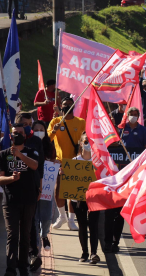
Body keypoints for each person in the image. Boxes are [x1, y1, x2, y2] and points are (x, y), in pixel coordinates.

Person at [0, 123, 39, 276]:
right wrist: (11, 179)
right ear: (10, 136)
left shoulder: (32, 152)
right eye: (15, 133)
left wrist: (20, 156)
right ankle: (11, 269)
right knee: (12, 235)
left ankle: (23, 267)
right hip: (10, 201)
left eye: (20, 133)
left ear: (25, 136)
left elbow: (34, 166)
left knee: (25, 235)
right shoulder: (3, 155)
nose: (17, 135)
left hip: (28, 200)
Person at [48, 96, 86, 231]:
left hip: (76, 161)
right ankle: (62, 216)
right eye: (65, 104)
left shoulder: (81, 122)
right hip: (60, 161)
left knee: (74, 192)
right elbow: (47, 140)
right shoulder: (55, 121)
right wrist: (54, 130)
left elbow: (86, 140)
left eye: (70, 104)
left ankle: (71, 219)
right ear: (61, 106)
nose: (67, 106)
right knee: (58, 190)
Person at [14, 113, 45, 271]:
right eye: (23, 124)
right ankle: (16, 259)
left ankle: (33, 255)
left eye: (29, 124)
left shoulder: (36, 141)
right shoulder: (11, 140)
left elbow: (40, 167)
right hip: (13, 188)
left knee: (30, 223)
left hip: (31, 187)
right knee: (14, 226)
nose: (26, 126)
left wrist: (40, 187)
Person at [71, 132, 101, 264]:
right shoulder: (74, 162)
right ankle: (84, 253)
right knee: (82, 225)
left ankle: (94, 253)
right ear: (81, 144)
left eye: (90, 142)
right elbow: (69, 182)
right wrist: (64, 173)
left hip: (94, 199)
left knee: (94, 225)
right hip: (78, 200)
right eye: (85, 142)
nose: (88, 144)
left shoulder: (98, 162)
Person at [32, 120, 57, 255]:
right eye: (36, 129)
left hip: (46, 187)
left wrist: (54, 163)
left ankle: (44, 235)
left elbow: (53, 160)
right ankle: (36, 245)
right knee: (34, 217)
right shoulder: (29, 146)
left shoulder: (49, 147)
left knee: (46, 216)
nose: (39, 132)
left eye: (41, 129)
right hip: (33, 185)